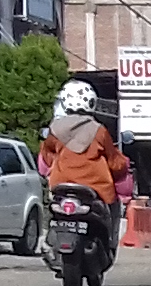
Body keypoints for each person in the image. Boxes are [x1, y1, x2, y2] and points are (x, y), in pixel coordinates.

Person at [40, 80, 132, 239]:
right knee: (113, 210)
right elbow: (115, 163)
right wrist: (123, 165)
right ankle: (109, 242)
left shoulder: (54, 130)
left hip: (60, 183)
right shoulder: (99, 131)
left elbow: (46, 157)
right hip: (95, 186)